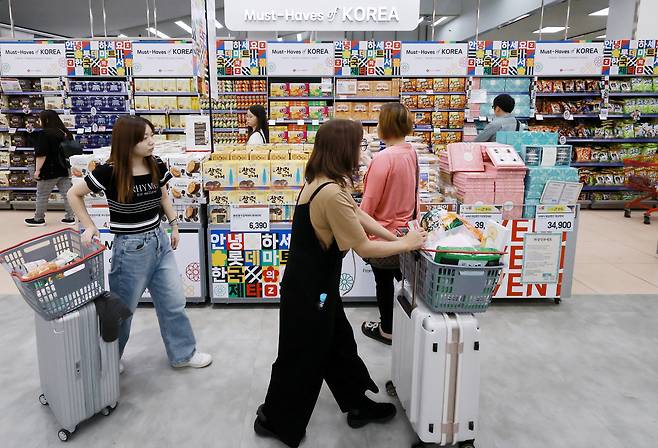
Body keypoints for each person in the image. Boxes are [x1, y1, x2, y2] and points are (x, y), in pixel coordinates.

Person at [254, 119, 427, 448]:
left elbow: (361, 217)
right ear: (343, 149)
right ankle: (276, 420)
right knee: (304, 352)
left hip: (317, 284)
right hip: (310, 290)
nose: (363, 151)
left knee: (339, 343)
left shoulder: (326, 180)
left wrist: (401, 236)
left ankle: (357, 403)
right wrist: (406, 245)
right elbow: (364, 247)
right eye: (359, 145)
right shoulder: (330, 193)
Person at [67, 116, 212, 373]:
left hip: (160, 242)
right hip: (130, 250)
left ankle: (183, 354)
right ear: (127, 142)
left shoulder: (155, 163)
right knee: (123, 311)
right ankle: (110, 359)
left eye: (151, 136)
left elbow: (164, 194)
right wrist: (89, 225)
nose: (151, 142)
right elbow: (73, 194)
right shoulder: (109, 171)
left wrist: (174, 224)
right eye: (144, 138)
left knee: (173, 303)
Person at [360, 103, 418, 345]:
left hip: (383, 235)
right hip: (406, 232)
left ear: (385, 125)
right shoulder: (411, 152)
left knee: (382, 284)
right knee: (403, 282)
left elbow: (368, 205)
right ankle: (408, 326)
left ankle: (387, 330)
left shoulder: (383, 159)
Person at [24, 110, 76, 227]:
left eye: (40, 119)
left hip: (49, 170)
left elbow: (41, 154)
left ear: (46, 120)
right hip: (64, 169)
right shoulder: (65, 132)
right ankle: (70, 217)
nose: (39, 121)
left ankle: (38, 219)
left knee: (42, 195)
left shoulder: (45, 134)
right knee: (67, 194)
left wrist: (37, 171)